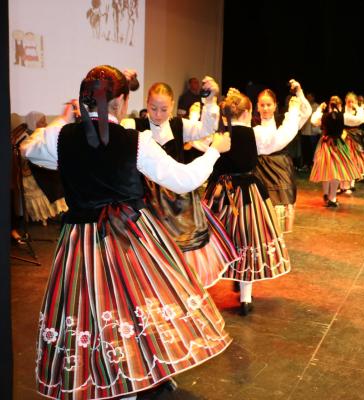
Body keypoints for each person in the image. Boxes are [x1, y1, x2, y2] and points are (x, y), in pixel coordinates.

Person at [21, 65, 232, 400]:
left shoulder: (60, 138)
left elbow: (29, 150)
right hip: (127, 239)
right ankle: (134, 384)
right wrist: (215, 151)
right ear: (121, 100)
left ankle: (115, 380)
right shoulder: (136, 142)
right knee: (133, 308)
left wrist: (63, 121)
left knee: (91, 312)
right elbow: (183, 180)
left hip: (80, 244)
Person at [121, 79, 239, 289]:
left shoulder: (178, 125)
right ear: (146, 104)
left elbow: (207, 128)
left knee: (183, 253)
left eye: (164, 109)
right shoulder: (133, 127)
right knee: (153, 253)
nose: (158, 114)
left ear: (173, 105)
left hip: (180, 203)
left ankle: (182, 291)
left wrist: (210, 100)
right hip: (147, 203)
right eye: (153, 108)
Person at [203, 89, 303, 316]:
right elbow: (281, 137)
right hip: (248, 194)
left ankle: (205, 281)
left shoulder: (220, 135)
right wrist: (293, 112)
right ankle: (246, 298)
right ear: (248, 112)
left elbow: (205, 150)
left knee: (217, 236)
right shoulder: (255, 135)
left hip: (221, 193)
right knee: (248, 239)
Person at [251, 81, 312, 233]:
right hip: (259, 169)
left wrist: (299, 92)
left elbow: (306, 112)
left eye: (269, 105)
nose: (265, 108)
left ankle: (278, 246)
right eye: (262, 105)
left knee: (280, 209)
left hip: (281, 169)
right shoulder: (251, 123)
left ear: (275, 105)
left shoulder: (284, 120)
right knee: (261, 210)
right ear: (257, 106)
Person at [309, 96, 362, 207]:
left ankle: (325, 193)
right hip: (338, 145)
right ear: (340, 105)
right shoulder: (344, 116)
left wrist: (319, 109)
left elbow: (313, 121)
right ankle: (332, 197)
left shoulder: (323, 116)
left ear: (329, 105)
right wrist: (358, 107)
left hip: (326, 144)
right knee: (336, 171)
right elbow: (359, 119)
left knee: (326, 169)